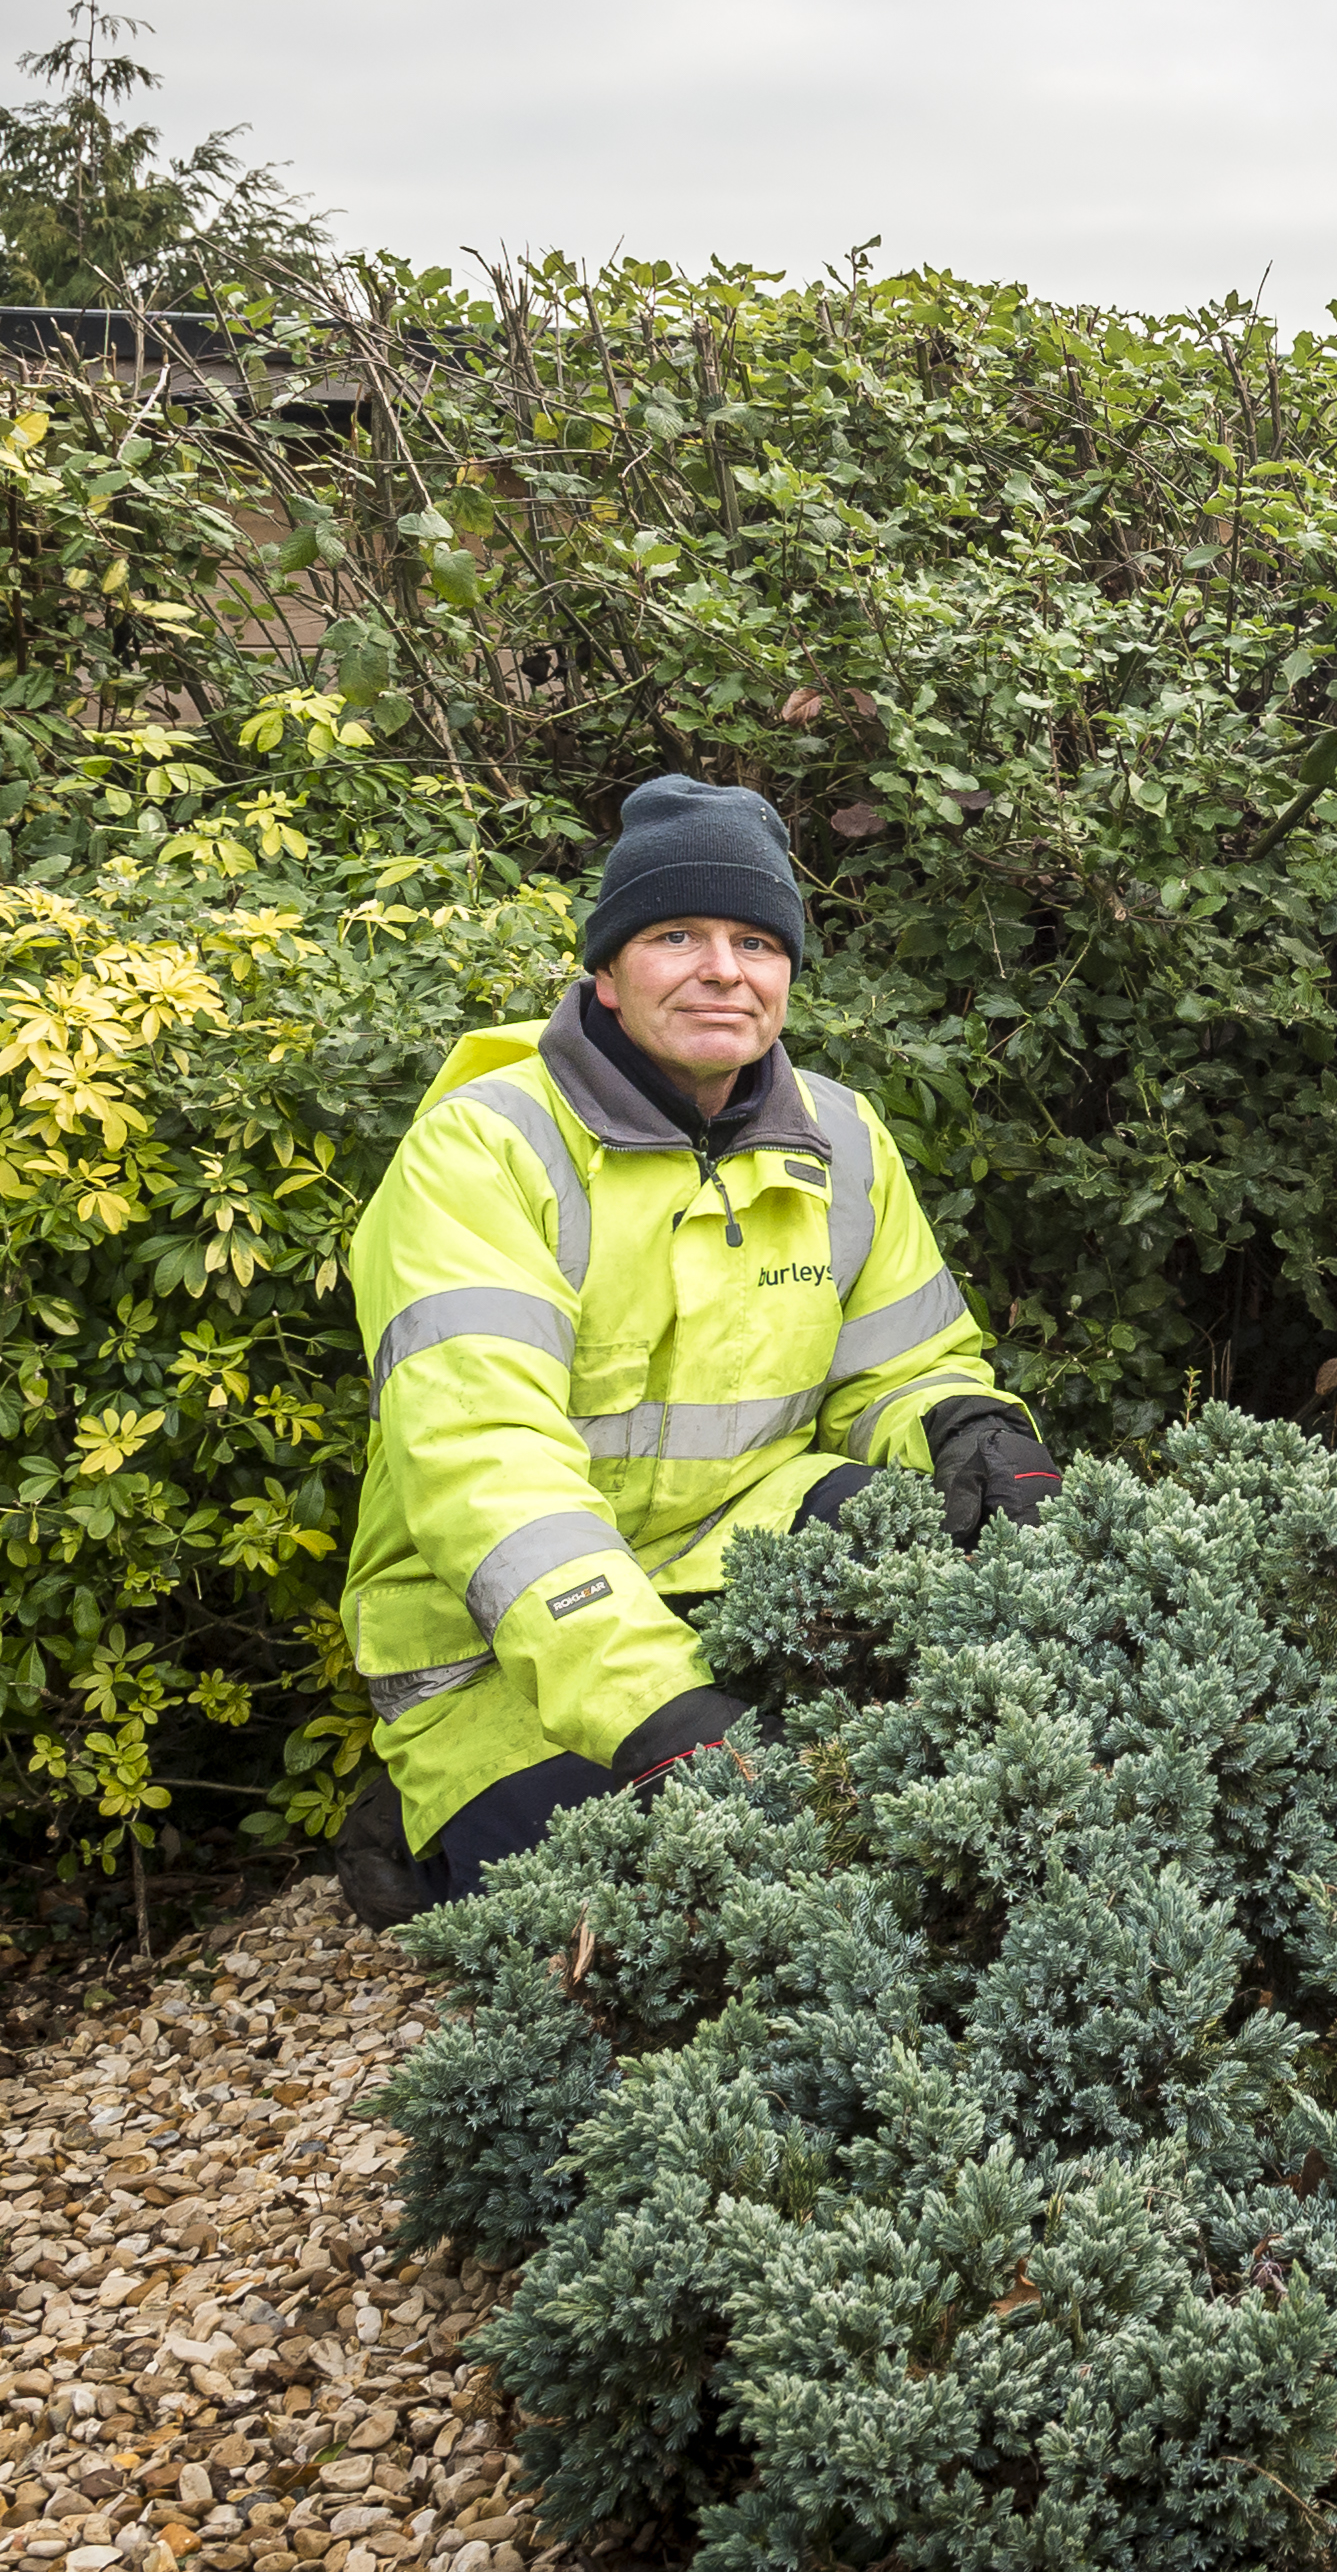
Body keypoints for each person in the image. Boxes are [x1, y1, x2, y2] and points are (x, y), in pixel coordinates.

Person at [328, 777, 1057, 1922]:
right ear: (607, 973)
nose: (724, 968)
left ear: (786, 977)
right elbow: (487, 1466)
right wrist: (659, 1710)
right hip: (502, 1646)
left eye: (757, 940)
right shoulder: (482, 1150)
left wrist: (966, 1423)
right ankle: (428, 1813)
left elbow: (899, 1367)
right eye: (678, 934)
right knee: (684, 1906)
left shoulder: (844, 1137)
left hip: (729, 1556)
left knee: (966, 1632)